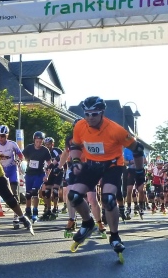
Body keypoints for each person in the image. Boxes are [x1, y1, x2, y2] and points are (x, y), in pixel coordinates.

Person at [67, 96, 146, 261]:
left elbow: (138, 149)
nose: (90, 118)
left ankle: (115, 236)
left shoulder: (115, 130)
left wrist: (139, 173)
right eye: (87, 114)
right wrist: (75, 161)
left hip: (112, 166)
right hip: (91, 165)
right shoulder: (80, 126)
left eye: (94, 114)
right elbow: (75, 145)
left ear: (102, 113)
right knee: (73, 196)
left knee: (108, 199)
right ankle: (88, 223)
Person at [0, 125, 25, 228]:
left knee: (14, 193)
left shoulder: (12, 144)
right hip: (1, 171)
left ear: (7, 135)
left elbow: (21, 155)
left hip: (12, 170)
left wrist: (18, 160)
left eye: (3, 136)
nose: (0, 138)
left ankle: (16, 216)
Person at [22, 131, 52, 222]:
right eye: (37, 141)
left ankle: (35, 212)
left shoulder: (45, 150)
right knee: (28, 194)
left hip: (39, 174)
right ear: (34, 140)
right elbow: (22, 157)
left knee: (35, 191)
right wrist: (20, 164)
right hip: (29, 173)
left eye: (40, 142)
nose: (38, 143)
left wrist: (47, 175)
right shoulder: (29, 148)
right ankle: (28, 211)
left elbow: (50, 164)